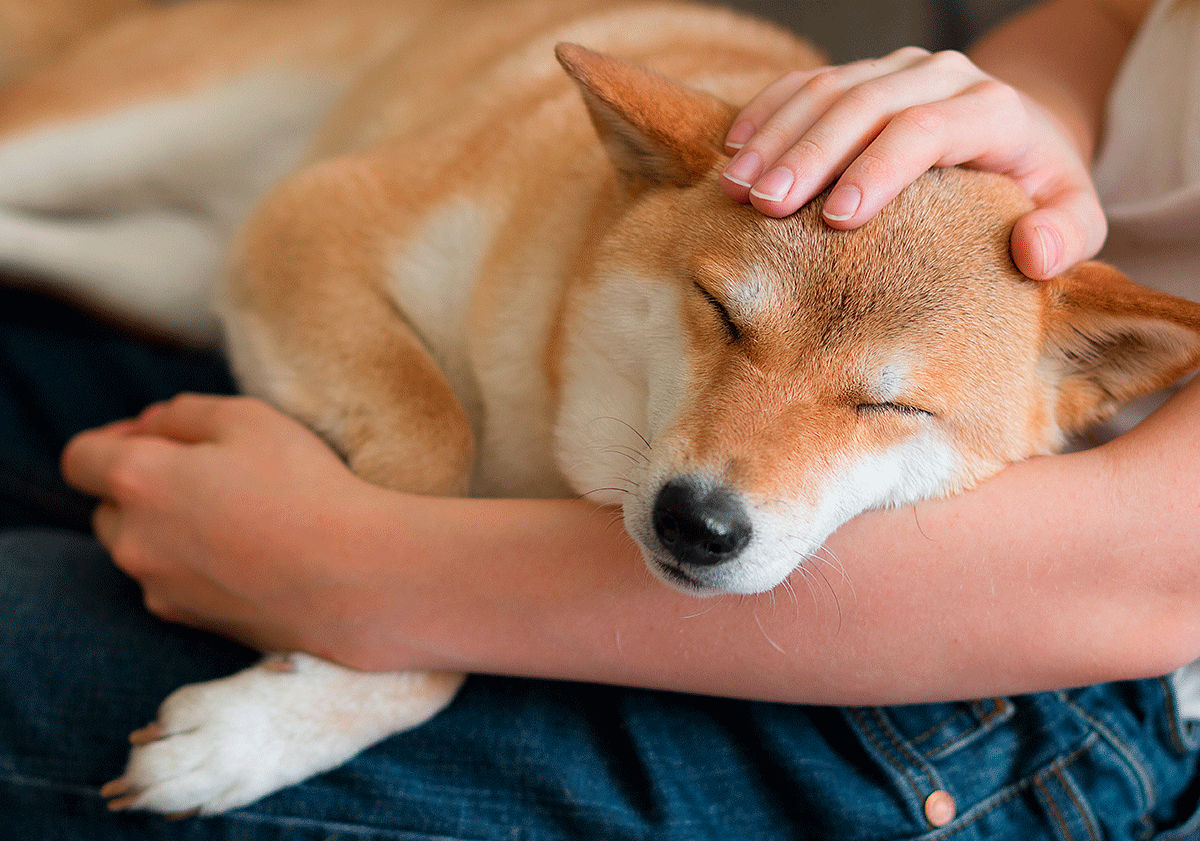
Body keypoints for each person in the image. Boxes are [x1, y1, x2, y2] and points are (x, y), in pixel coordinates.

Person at [4, 0, 1200, 837]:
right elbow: (1112, 20)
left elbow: (1159, 573)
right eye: (728, 325)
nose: (729, 469)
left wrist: (372, 588)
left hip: (991, 678)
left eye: (878, 407)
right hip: (416, 183)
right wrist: (1021, 133)